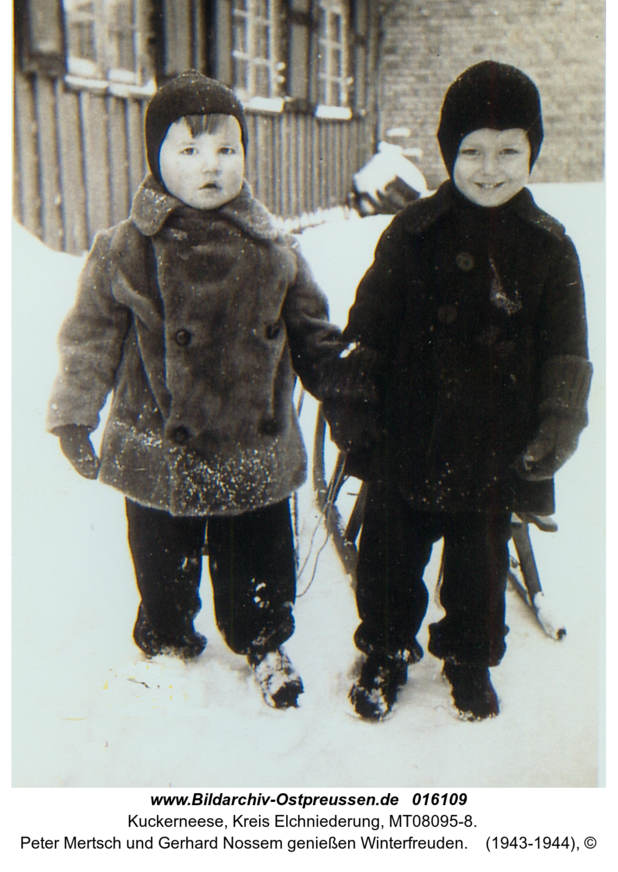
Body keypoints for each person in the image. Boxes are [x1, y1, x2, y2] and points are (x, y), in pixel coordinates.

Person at [47, 72, 340, 710]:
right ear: (155, 159)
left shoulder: (274, 249)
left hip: (250, 443)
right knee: (162, 563)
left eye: (226, 149)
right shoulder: (123, 250)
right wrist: (74, 414)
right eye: (189, 150)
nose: (210, 165)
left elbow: (312, 331)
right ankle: (168, 643)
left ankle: (264, 639)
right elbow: (89, 340)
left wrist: (342, 388)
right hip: (158, 448)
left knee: (258, 559)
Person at [323, 61, 591, 722]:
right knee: (389, 559)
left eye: (509, 151)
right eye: (472, 151)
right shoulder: (414, 232)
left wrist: (559, 420)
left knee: (478, 567)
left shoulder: (549, 247)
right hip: (405, 436)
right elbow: (369, 329)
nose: (490, 167)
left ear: (533, 152)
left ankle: (470, 660)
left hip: (496, 446)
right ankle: (385, 651)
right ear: (449, 153)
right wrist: (353, 397)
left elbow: (567, 349)